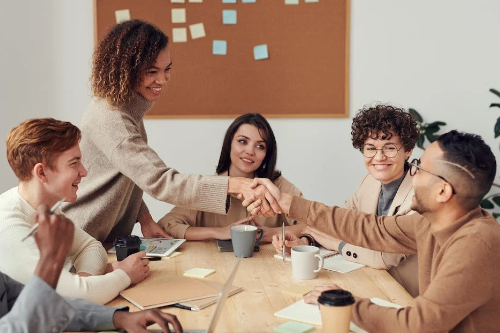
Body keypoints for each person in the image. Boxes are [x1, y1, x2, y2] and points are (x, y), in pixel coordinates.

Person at [248, 130, 500, 333]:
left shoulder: (476, 244)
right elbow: (369, 228)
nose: (412, 173)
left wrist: (346, 302)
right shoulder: (430, 223)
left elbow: (420, 324)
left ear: (443, 192)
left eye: (419, 168)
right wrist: (289, 203)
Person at [62, 19, 280, 243]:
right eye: (152, 71)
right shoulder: (113, 118)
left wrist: (144, 218)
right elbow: (160, 180)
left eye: (167, 69)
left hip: (101, 240)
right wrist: (233, 184)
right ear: (126, 70)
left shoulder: (126, 110)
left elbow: (131, 174)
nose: (162, 79)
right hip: (79, 239)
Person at [272, 104, 420, 296]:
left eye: (390, 147)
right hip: (371, 284)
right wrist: (306, 241)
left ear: (408, 150)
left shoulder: (420, 194)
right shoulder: (369, 182)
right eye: (370, 148)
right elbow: (339, 223)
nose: (379, 157)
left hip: (406, 297)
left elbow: (383, 258)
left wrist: (338, 245)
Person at [0, 118, 149, 304]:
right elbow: (69, 299)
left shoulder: (44, 208)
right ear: (41, 173)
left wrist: (84, 280)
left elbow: (90, 247)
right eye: (74, 163)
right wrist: (124, 275)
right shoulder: (9, 228)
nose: (84, 171)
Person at [0, 204, 183, 333]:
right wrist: (51, 259)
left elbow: (49, 305)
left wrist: (119, 319)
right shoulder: (10, 221)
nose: (84, 172)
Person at [158, 113, 303, 242]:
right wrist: (218, 232)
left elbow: (314, 225)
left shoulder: (279, 186)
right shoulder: (208, 187)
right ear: (229, 145)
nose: (250, 151)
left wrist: (274, 233)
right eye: (242, 141)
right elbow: (167, 225)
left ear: (267, 154)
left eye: (260, 146)